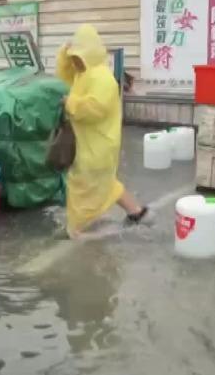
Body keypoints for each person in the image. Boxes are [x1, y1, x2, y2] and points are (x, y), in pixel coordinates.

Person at [56, 24, 147, 238]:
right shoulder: (83, 73)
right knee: (104, 183)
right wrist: (64, 52)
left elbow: (94, 108)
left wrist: (70, 103)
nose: (75, 62)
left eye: (78, 57)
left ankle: (77, 230)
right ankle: (137, 212)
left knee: (83, 187)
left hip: (98, 145)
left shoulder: (103, 78)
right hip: (90, 144)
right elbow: (64, 74)